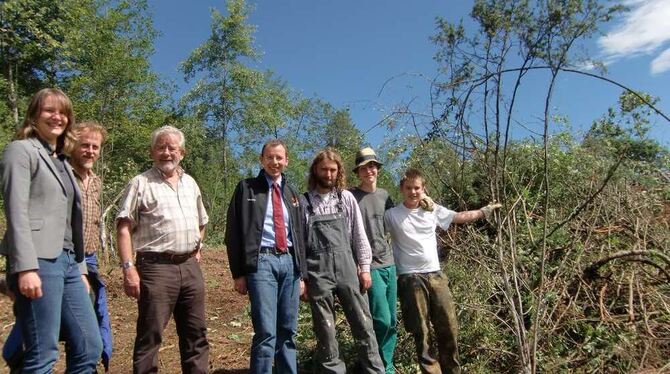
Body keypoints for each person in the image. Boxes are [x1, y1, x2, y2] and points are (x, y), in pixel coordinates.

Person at [0, 88, 103, 372]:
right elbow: (16, 211)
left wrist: (81, 268)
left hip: (69, 262)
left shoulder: (62, 163)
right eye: (49, 110)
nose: (57, 117)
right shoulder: (20, 151)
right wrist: (25, 268)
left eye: (63, 112)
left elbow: (72, 222)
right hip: (39, 261)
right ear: (34, 115)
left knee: (89, 345)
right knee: (42, 352)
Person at [384, 168, 501, 374]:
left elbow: (458, 217)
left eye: (417, 188)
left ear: (423, 188)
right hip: (409, 278)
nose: (413, 192)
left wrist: (484, 211)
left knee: (448, 326)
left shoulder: (432, 210)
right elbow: (373, 232)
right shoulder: (391, 215)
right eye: (409, 188)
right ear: (402, 189)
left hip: (435, 275)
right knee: (421, 331)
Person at [116, 125, 209, 373]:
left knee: (196, 335)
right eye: (161, 147)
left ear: (182, 152)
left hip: (190, 269)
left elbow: (202, 222)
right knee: (150, 335)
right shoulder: (140, 183)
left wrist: (197, 249)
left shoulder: (191, 183)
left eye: (172, 147)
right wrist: (128, 268)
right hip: (155, 269)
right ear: (152, 152)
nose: (166, 152)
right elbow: (124, 228)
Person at [300, 147, 385, 374]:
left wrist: (365, 268)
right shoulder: (304, 202)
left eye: (333, 170)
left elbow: (359, 236)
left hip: (348, 269)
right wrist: (303, 279)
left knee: (364, 325)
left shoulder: (345, 198)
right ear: (315, 171)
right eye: (324, 169)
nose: (328, 174)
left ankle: (374, 370)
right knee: (325, 331)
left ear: (339, 172)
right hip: (318, 273)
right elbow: (300, 246)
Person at [225, 139, 306, 374]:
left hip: (290, 264)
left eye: (279, 157)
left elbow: (299, 236)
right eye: (270, 157)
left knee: (288, 330)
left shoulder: (293, 194)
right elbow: (233, 232)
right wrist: (238, 273)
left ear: (286, 161)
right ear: (261, 160)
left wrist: (302, 274)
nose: (275, 162)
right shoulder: (246, 188)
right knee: (266, 331)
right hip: (261, 263)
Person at [349, 147, 396, 374]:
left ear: (377, 169)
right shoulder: (351, 196)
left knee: (392, 321)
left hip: (389, 263)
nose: (370, 170)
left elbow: (399, 221)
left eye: (373, 166)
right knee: (381, 319)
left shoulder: (386, 196)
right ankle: (373, 363)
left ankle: (387, 366)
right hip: (369, 267)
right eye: (365, 167)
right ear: (358, 171)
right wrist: (358, 265)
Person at [71, 121, 113, 370]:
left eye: (95, 146)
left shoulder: (95, 181)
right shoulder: (62, 173)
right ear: (72, 145)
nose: (90, 151)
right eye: (84, 145)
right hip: (66, 258)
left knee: (96, 317)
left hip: (90, 257)